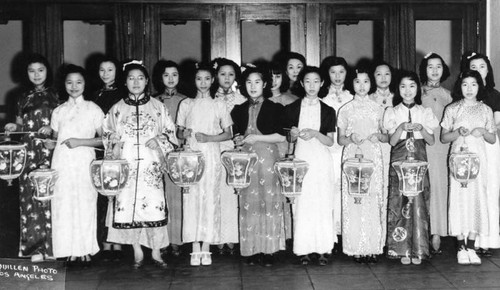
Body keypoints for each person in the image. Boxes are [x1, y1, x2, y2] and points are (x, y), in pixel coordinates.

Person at [103, 61, 177, 270]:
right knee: (129, 209)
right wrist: (114, 143)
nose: (136, 82)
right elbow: (107, 133)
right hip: (127, 166)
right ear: (125, 82)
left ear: (147, 81)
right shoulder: (116, 109)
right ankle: (136, 249)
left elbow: (171, 133)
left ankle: (155, 250)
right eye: (131, 78)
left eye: (140, 78)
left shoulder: (158, 107)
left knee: (154, 208)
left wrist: (160, 140)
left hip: (150, 166)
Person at [4, 53, 59, 262]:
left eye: (40, 70)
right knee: (29, 198)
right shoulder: (21, 97)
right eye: (31, 71)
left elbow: (65, 122)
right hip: (27, 153)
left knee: (52, 198)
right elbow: (19, 124)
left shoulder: (57, 94)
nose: (36, 75)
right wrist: (13, 127)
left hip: (50, 151)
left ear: (47, 71)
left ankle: (54, 248)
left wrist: (53, 129)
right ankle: (34, 249)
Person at [177, 62, 232, 266]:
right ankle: (194, 246)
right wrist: (185, 134)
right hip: (190, 154)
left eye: (207, 79)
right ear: (193, 80)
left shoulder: (219, 104)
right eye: (199, 78)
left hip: (210, 154)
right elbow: (179, 132)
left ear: (213, 80)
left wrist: (209, 138)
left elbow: (228, 133)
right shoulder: (186, 104)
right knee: (191, 198)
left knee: (209, 197)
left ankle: (207, 245)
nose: (203, 83)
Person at [231, 65, 286, 266]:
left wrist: (257, 137)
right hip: (247, 159)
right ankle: (252, 249)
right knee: (249, 202)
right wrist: (239, 139)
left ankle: (269, 250)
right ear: (244, 85)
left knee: (269, 201)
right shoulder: (238, 110)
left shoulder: (275, 108)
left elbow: (282, 135)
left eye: (257, 82)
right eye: (248, 82)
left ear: (264, 84)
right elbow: (237, 134)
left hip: (268, 157)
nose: (253, 86)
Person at [50, 64, 104, 266]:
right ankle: (69, 251)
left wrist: (80, 142)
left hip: (84, 162)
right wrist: (49, 142)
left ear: (86, 84)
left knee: (85, 204)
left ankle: (85, 250)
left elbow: (104, 140)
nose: (74, 86)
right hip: (62, 163)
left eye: (79, 82)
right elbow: (55, 140)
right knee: (64, 205)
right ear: (63, 84)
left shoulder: (93, 109)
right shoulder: (58, 111)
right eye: (69, 82)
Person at [441, 70, 496, 265]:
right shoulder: (452, 109)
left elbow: (492, 138)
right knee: (458, 199)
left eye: (473, 84)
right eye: (465, 84)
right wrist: (456, 132)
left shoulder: (485, 110)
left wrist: (482, 131)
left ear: (479, 86)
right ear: (460, 86)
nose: (469, 89)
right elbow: (443, 137)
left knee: (477, 199)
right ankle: (461, 245)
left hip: (478, 161)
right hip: (458, 161)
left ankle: (472, 245)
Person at [383, 70, 438, 265]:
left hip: (419, 163)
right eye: (403, 86)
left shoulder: (425, 112)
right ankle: (400, 250)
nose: (408, 90)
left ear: (418, 88)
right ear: (398, 89)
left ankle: (419, 249)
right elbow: (392, 141)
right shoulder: (392, 112)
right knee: (399, 203)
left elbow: (431, 141)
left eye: (412, 86)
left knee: (419, 204)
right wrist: (400, 128)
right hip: (399, 163)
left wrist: (421, 128)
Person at [284, 66, 336, 266]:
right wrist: (293, 134)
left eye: (316, 81)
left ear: (322, 83)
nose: (312, 85)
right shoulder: (292, 108)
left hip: (321, 161)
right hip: (301, 157)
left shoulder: (328, 110)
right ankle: (303, 249)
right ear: (302, 83)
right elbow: (289, 136)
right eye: (307, 81)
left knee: (322, 203)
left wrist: (315, 133)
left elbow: (330, 141)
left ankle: (323, 249)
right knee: (302, 204)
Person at [337, 67, 386, 263]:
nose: (362, 85)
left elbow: (386, 135)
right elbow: (340, 139)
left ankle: (373, 246)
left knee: (373, 198)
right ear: (352, 84)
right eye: (357, 81)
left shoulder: (378, 108)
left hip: (372, 155)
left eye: (366, 81)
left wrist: (378, 136)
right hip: (352, 156)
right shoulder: (345, 109)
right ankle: (355, 246)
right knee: (354, 199)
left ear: (371, 84)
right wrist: (350, 138)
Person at [462, 52, 500, 256]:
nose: (478, 71)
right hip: (468, 145)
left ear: (488, 69)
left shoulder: (494, 95)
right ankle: (470, 238)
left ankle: (488, 238)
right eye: (473, 67)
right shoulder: (463, 95)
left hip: (489, 145)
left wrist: (483, 129)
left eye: (482, 66)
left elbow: (496, 122)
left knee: (489, 190)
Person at [91, 55, 125, 262]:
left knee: (118, 192)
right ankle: (104, 242)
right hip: (99, 148)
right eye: (102, 70)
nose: (106, 74)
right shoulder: (94, 94)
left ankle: (118, 242)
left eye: (110, 70)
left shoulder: (122, 94)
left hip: (118, 146)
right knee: (103, 194)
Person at [418, 52, 453, 255]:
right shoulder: (416, 93)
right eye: (430, 66)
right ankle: (420, 232)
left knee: (439, 187)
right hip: (422, 145)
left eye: (438, 66)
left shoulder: (449, 95)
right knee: (422, 187)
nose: (434, 70)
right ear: (424, 69)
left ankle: (437, 232)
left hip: (441, 147)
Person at [152, 59, 187, 257]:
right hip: (159, 154)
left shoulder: (186, 100)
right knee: (161, 197)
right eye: (166, 75)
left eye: (175, 74)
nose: (171, 79)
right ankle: (161, 240)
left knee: (177, 196)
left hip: (179, 154)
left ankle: (177, 240)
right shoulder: (154, 101)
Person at [319, 56, 354, 244]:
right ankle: (330, 235)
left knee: (348, 190)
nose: (337, 76)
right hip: (329, 151)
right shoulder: (322, 98)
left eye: (341, 72)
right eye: (333, 72)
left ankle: (347, 234)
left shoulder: (353, 96)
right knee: (331, 191)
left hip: (348, 149)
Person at [211, 57, 243, 256]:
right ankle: (216, 237)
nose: (226, 78)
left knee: (231, 193)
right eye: (222, 74)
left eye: (231, 74)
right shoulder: (209, 99)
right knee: (214, 191)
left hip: (233, 148)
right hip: (213, 146)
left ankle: (231, 237)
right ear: (216, 75)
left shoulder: (240, 99)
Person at [369, 61, 395, 245]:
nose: (383, 78)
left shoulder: (398, 97)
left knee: (390, 190)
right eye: (379, 74)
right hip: (374, 148)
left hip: (394, 148)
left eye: (387, 74)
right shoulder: (368, 99)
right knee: (375, 190)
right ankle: (375, 237)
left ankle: (390, 238)